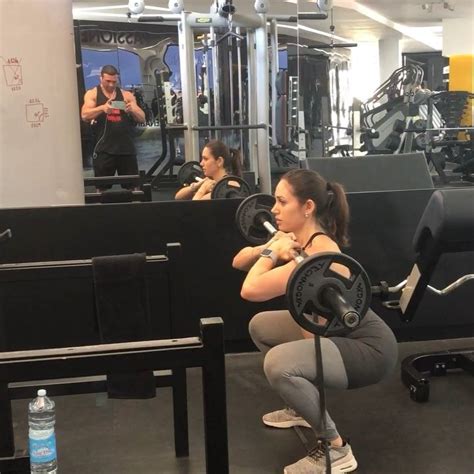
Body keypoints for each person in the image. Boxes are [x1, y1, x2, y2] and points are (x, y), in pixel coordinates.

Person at [232, 169, 398, 474]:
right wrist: (272, 246)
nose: (273, 209)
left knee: (279, 365)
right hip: (337, 335)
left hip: (369, 349)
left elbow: (250, 290)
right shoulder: (300, 240)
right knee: (260, 326)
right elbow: (239, 261)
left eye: (282, 202)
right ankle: (299, 406)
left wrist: (271, 251)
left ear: (307, 207)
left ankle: (336, 448)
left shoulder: (320, 254)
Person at [81, 65, 145, 185]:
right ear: (101, 78)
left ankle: (135, 203)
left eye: (114, 82)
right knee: (101, 188)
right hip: (103, 149)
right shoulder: (92, 94)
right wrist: (102, 108)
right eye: (108, 81)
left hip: (126, 148)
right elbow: (84, 115)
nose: (111, 85)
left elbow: (142, 118)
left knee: (133, 187)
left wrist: (133, 110)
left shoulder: (126, 95)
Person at [175, 139, 243, 200]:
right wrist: (196, 186)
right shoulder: (210, 182)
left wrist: (202, 190)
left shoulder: (230, 185)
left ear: (219, 161)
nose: (201, 163)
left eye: (205, 159)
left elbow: (194, 209)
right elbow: (178, 197)